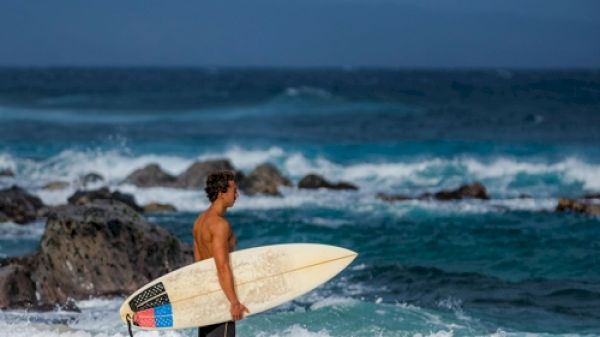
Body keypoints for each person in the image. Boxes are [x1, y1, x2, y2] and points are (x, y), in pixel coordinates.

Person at [193, 170, 249, 337]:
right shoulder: (219, 225)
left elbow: (198, 265)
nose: (237, 194)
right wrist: (233, 302)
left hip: (206, 295)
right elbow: (222, 266)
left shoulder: (199, 221)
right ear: (221, 193)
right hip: (221, 297)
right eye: (234, 190)